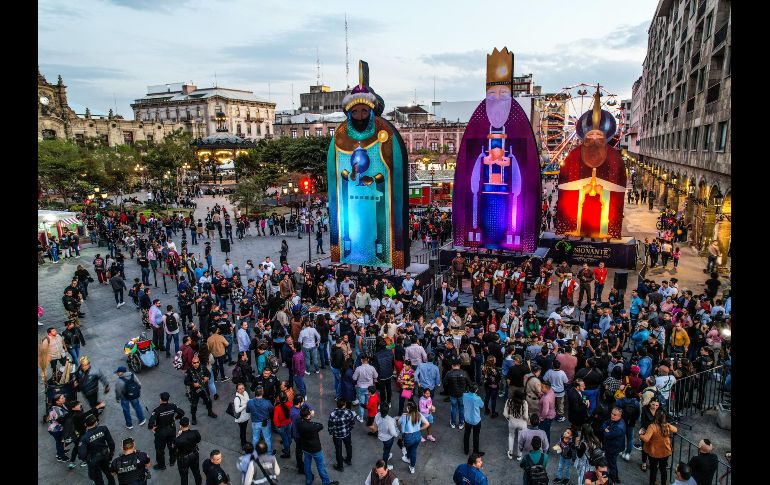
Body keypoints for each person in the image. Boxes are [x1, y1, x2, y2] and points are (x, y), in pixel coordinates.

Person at [298, 406, 340, 485]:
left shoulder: (299, 423)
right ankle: (326, 482)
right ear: (308, 416)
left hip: (305, 447)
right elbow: (320, 425)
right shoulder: (312, 426)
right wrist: (311, 418)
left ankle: (308, 480)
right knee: (321, 466)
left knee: (307, 464)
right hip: (315, 449)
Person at [148, 391, 185, 471]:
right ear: (168, 399)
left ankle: (161, 465)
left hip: (161, 432)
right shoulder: (173, 406)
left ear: (161, 399)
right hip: (171, 430)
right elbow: (182, 413)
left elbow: (151, 422)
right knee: (172, 446)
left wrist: (152, 427)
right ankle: (172, 461)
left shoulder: (157, 410)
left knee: (160, 449)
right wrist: (176, 418)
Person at [640, 410, 678, 485]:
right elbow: (675, 429)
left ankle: (652, 483)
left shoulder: (652, 427)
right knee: (663, 469)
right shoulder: (666, 425)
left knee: (653, 470)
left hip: (654, 452)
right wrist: (668, 424)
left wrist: (640, 435)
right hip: (665, 452)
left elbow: (646, 439)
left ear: (655, 418)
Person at [78, 414, 116, 485]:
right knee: (109, 473)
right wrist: (111, 454)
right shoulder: (103, 429)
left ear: (86, 424)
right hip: (105, 456)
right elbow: (111, 443)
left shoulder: (84, 438)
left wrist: (87, 459)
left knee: (98, 479)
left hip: (94, 460)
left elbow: (81, 455)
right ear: (95, 422)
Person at [398, 401, 430, 474]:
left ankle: (409, 459)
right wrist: (420, 429)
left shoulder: (404, 416)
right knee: (413, 450)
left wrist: (403, 416)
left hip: (408, 437)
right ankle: (412, 466)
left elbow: (398, 423)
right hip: (418, 435)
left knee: (409, 449)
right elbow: (427, 424)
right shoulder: (419, 414)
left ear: (409, 408)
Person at [184, 356, 217, 425]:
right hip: (195, 391)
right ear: (192, 363)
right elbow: (186, 382)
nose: (195, 364)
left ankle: (210, 412)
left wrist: (207, 378)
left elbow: (209, 374)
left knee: (208, 401)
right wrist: (193, 384)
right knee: (194, 405)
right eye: (194, 363)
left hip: (204, 388)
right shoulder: (190, 371)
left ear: (199, 362)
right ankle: (193, 418)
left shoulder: (203, 367)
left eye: (197, 362)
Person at [328, 397, 357, 471]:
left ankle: (340, 466)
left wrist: (331, 433)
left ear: (337, 405)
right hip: (347, 433)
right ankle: (348, 460)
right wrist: (349, 429)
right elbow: (352, 423)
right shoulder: (348, 412)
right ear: (344, 405)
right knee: (348, 446)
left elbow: (330, 426)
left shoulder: (332, 414)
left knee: (338, 450)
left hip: (337, 435)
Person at [174, 416, 203, 485]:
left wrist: (178, 436)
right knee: (196, 472)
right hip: (194, 454)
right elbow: (198, 440)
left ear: (180, 426)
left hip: (183, 459)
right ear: (189, 424)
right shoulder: (195, 432)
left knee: (184, 477)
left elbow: (173, 448)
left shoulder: (177, 439)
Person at [444, 358, 472, 429]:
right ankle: (461, 423)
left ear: (452, 365)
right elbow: (469, 383)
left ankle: (453, 423)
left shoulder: (449, 373)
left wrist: (449, 389)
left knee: (453, 408)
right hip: (462, 394)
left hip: (452, 393)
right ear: (459, 365)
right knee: (461, 408)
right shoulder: (464, 373)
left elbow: (445, 383)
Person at [601, 407, 626, 483]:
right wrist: (606, 429)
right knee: (610, 462)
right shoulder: (614, 420)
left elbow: (607, 435)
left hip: (613, 448)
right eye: (612, 413)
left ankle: (614, 478)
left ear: (620, 416)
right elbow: (604, 423)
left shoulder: (619, 427)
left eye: (615, 415)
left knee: (612, 464)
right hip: (610, 446)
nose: (612, 416)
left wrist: (605, 431)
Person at [246, 385, 274, 452]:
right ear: (262, 393)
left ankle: (255, 452)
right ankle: (269, 452)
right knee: (267, 438)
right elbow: (272, 410)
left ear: (255, 392)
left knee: (255, 438)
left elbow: (247, 411)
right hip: (265, 422)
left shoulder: (250, 402)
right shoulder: (267, 402)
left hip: (255, 422)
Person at [462, 382, 485, 456]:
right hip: (476, 420)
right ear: (476, 390)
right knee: (476, 436)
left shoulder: (464, 395)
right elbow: (482, 405)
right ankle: (475, 452)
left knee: (466, 434)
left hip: (467, 418)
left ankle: (466, 450)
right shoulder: (477, 398)